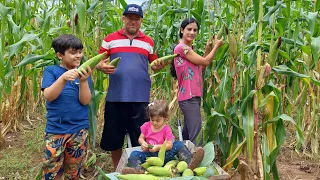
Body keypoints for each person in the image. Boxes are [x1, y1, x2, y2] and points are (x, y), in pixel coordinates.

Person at [96, 4, 167, 170]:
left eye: (136, 18)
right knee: (115, 137)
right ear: (123, 19)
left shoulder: (148, 41)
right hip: (116, 96)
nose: (132, 21)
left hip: (140, 97)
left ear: (141, 21)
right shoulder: (110, 39)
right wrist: (100, 66)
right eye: (129, 18)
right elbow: (99, 61)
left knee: (140, 136)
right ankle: (118, 168)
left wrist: (159, 66)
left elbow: (154, 63)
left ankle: (137, 168)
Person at [41, 34, 93, 179]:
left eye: (80, 52)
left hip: (79, 130)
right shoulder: (52, 71)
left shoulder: (84, 72)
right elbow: (49, 96)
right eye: (73, 52)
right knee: (51, 170)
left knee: (74, 171)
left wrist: (83, 81)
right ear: (60, 55)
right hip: (56, 131)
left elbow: (85, 101)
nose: (78, 56)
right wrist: (63, 78)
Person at [170, 18, 224, 145]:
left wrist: (207, 49)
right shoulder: (181, 48)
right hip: (188, 96)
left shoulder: (189, 49)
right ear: (182, 30)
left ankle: (182, 156)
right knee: (196, 132)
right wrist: (216, 46)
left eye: (195, 30)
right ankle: (196, 161)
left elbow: (200, 68)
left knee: (188, 133)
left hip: (194, 95)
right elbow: (206, 61)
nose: (192, 32)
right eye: (189, 29)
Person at [122, 100, 205, 174]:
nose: (154, 123)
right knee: (134, 154)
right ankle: (138, 170)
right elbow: (140, 138)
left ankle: (190, 162)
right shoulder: (146, 126)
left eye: (158, 121)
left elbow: (170, 145)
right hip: (150, 155)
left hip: (166, 154)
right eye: (152, 120)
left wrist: (158, 147)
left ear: (165, 118)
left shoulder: (166, 129)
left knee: (179, 144)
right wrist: (143, 143)